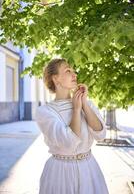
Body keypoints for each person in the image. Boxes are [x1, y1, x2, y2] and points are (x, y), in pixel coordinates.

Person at [35, 58, 109, 194]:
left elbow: (101, 134)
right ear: (55, 79)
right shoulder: (44, 112)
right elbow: (69, 143)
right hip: (60, 174)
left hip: (89, 170)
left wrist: (84, 104)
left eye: (73, 71)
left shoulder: (86, 104)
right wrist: (76, 110)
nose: (74, 74)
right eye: (68, 70)